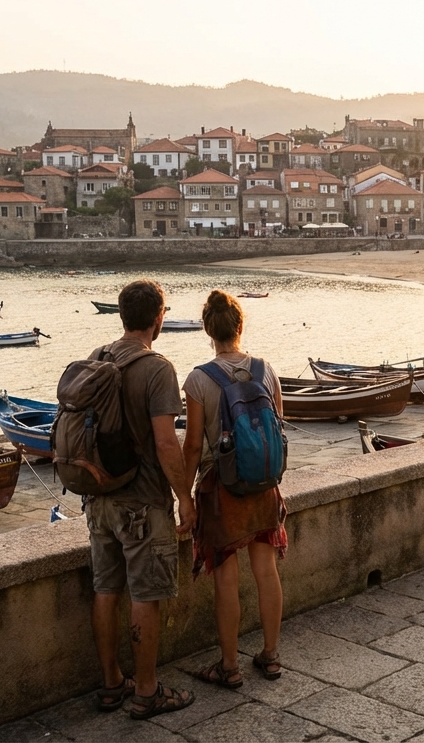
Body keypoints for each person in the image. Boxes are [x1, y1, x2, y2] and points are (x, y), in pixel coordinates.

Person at [88, 280, 196, 720]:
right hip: (142, 504)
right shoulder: (157, 368)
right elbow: (166, 443)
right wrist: (184, 497)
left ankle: (112, 683)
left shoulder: (98, 357)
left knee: (105, 589)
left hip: (98, 499)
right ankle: (147, 691)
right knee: (145, 595)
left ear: (121, 316)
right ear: (159, 318)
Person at [182, 291, 288, 689]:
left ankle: (229, 667)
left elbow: (193, 446)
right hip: (263, 486)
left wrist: (183, 497)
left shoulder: (199, 379)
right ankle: (271, 656)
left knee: (226, 578)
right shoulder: (266, 370)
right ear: (240, 326)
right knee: (266, 570)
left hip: (221, 489)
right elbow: (278, 425)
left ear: (208, 330)